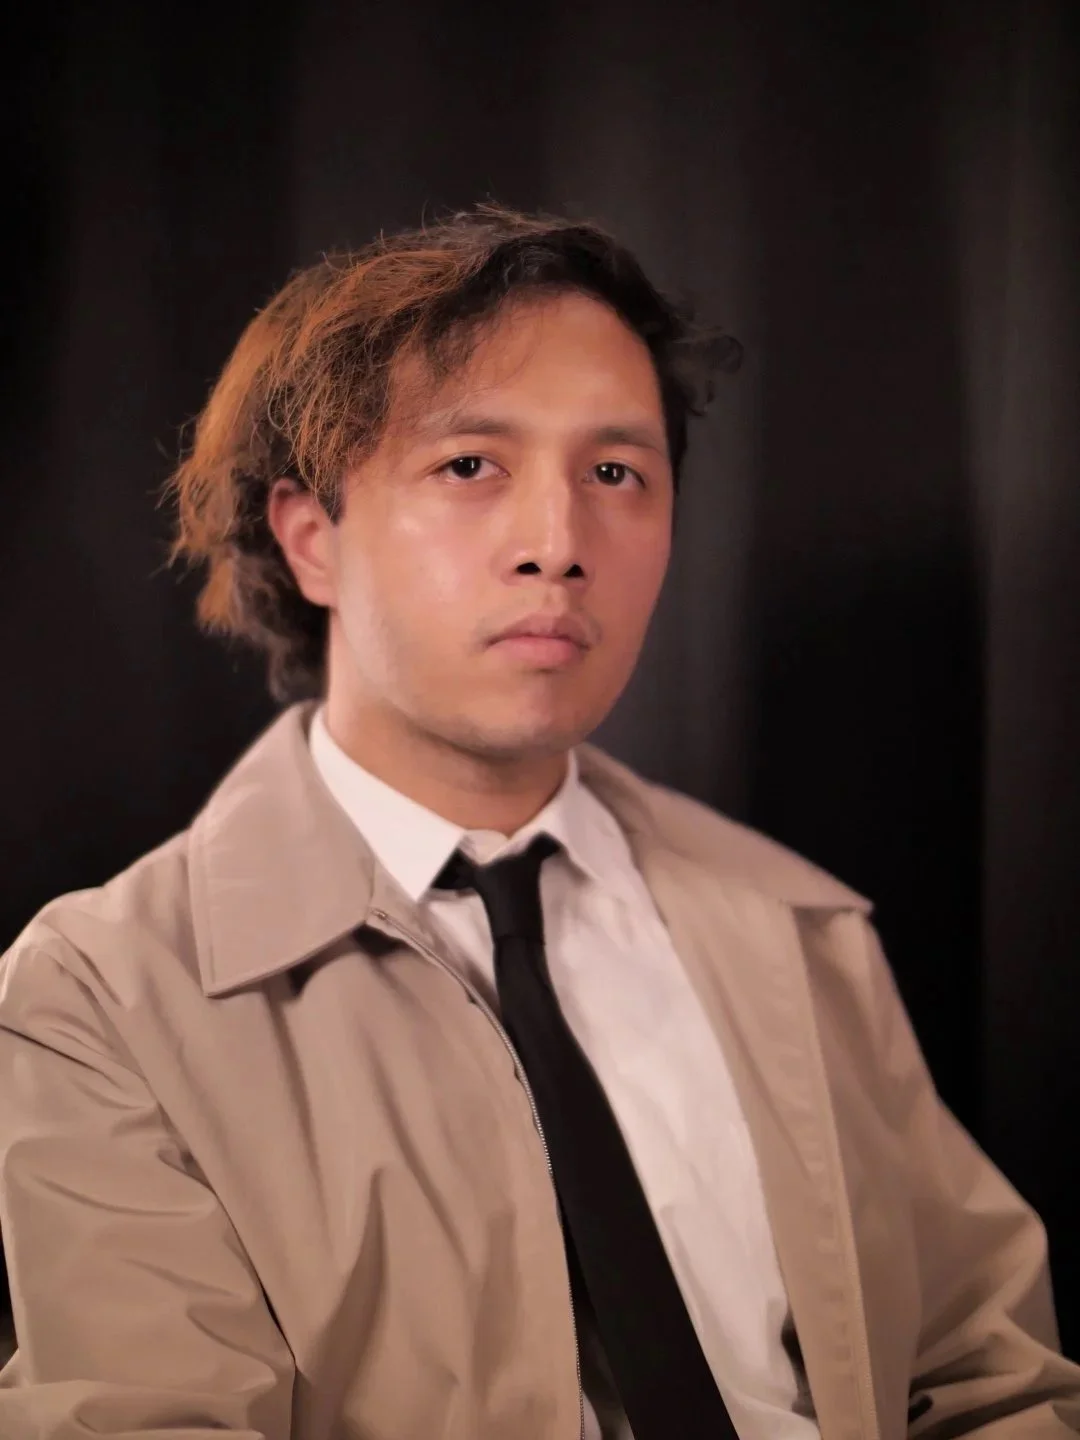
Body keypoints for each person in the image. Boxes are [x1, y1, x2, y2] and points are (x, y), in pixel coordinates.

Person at [0, 205, 1076, 1440]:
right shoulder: (105, 996)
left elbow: (994, 1378)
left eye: (616, 473)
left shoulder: (797, 926)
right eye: (470, 467)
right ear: (312, 540)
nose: (558, 545)